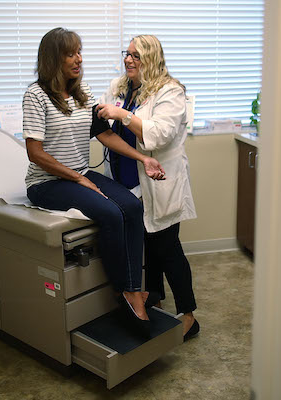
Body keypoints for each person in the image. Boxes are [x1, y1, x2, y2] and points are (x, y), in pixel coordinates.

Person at [23, 27, 165, 329]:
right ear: (53, 58)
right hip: (46, 182)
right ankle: (126, 292)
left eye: (79, 52)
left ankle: (133, 288)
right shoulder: (36, 95)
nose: (79, 59)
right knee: (111, 213)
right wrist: (79, 179)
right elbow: (35, 153)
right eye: (71, 54)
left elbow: (105, 135)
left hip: (79, 173)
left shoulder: (82, 93)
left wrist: (143, 158)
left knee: (133, 207)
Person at [96, 35, 199, 340]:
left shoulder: (171, 91)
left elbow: (161, 133)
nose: (128, 60)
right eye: (126, 54)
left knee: (167, 249)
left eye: (136, 55)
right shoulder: (120, 87)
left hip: (157, 182)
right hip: (124, 181)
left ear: (151, 58)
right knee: (145, 249)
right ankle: (154, 299)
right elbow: (101, 118)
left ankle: (189, 316)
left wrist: (123, 115)